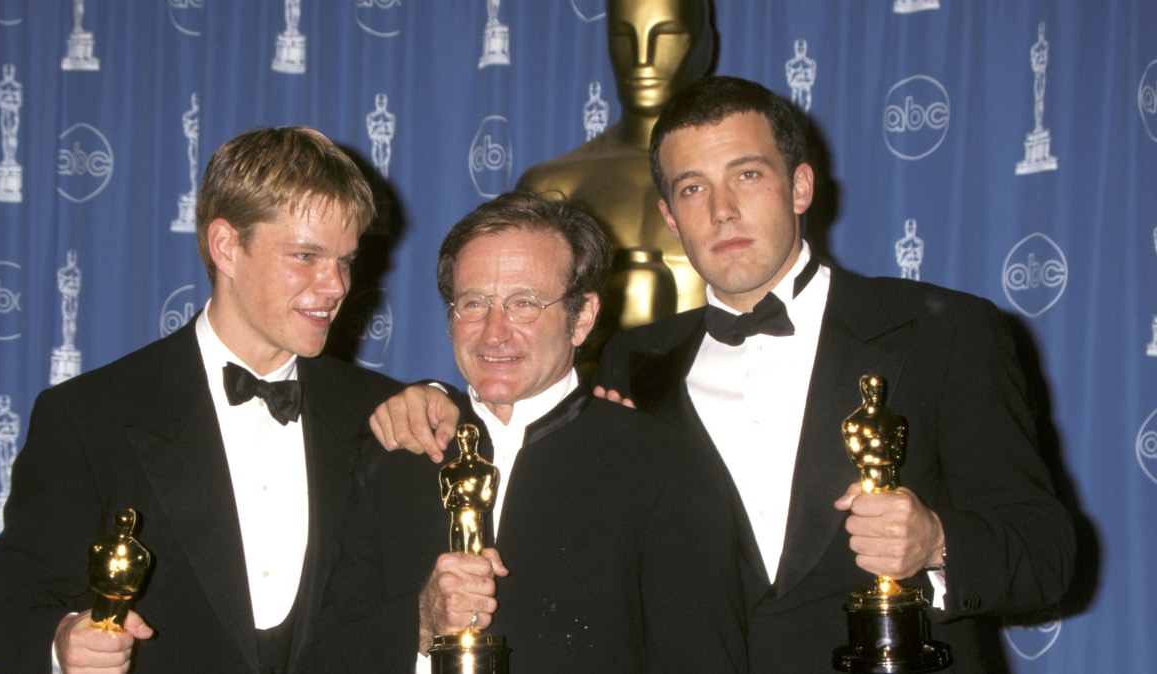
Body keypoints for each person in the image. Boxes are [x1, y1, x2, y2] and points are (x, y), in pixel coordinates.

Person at [371, 77, 1076, 672]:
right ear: (670, 219)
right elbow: (519, 408)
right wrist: (428, 398)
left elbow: (1050, 556)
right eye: (692, 187)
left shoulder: (943, 332)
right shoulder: (631, 362)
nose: (723, 210)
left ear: (799, 185)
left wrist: (936, 541)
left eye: (747, 174)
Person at [0, 126, 403, 674]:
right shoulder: (90, 414)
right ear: (226, 246)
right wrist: (63, 640)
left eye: (344, 260)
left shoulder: (383, 414)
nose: (336, 285)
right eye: (305, 255)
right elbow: (5, 609)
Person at [312, 192, 745, 672]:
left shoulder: (663, 467)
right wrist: (420, 622)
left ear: (581, 318)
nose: (494, 333)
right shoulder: (394, 458)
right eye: (473, 303)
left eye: (525, 304)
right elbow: (326, 656)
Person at [516, 0, 716, 344]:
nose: (642, 58)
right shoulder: (553, 185)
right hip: (587, 392)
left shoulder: (747, 182)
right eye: (624, 36)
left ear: (703, 43)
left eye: (666, 34)